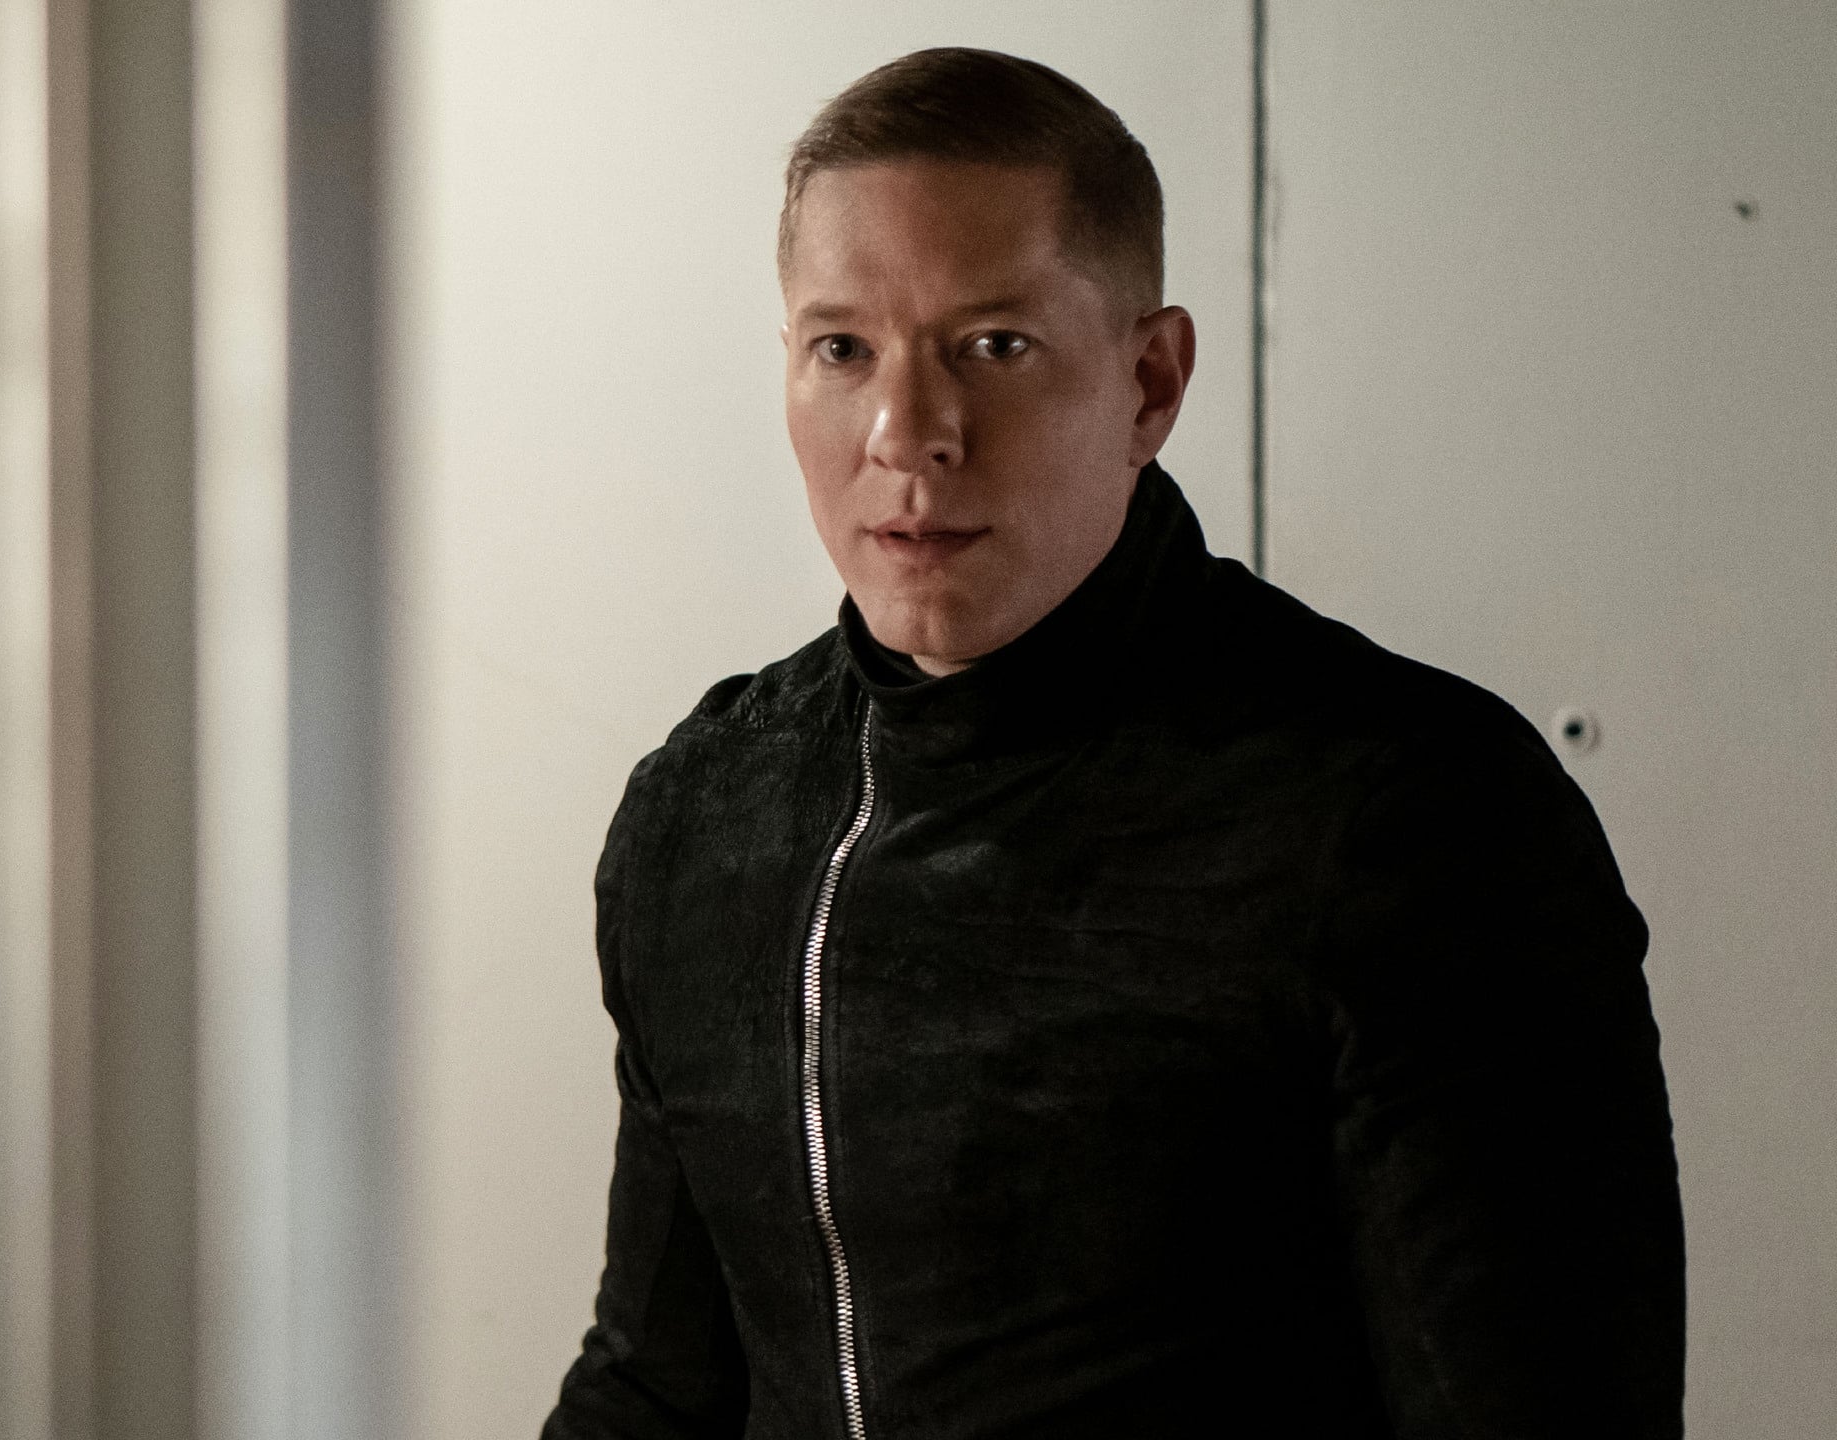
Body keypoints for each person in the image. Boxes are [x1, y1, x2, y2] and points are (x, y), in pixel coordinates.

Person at [542, 47, 1683, 1440]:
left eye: (993, 346)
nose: (908, 434)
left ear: (1149, 382)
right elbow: (654, 1393)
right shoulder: (702, 812)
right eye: (844, 349)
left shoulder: (1413, 812)